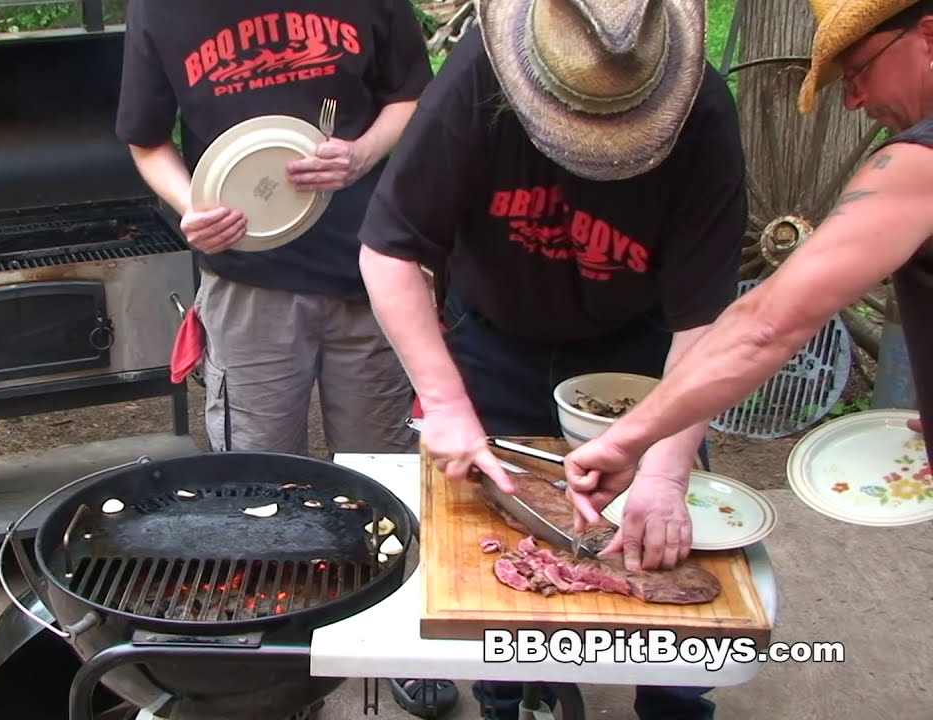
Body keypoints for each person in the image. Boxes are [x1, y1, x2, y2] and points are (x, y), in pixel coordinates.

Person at [356, 0, 747, 718]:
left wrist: (664, 470)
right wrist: (444, 405)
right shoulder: (478, 76)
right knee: (489, 553)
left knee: (667, 542)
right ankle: (507, 698)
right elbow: (390, 250)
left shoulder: (705, 113)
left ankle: (676, 703)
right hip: (492, 339)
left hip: (638, 358)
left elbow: (707, 326)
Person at [562, 0, 933, 529]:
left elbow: (767, 324)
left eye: (857, 70)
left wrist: (626, 439)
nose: (854, 99)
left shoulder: (917, 164)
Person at [114, 0, 432, 459]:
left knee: (382, 467)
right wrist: (193, 207)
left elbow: (411, 93)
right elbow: (146, 140)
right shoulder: (160, 8)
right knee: (259, 478)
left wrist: (362, 153)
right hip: (248, 279)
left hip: (371, 269)